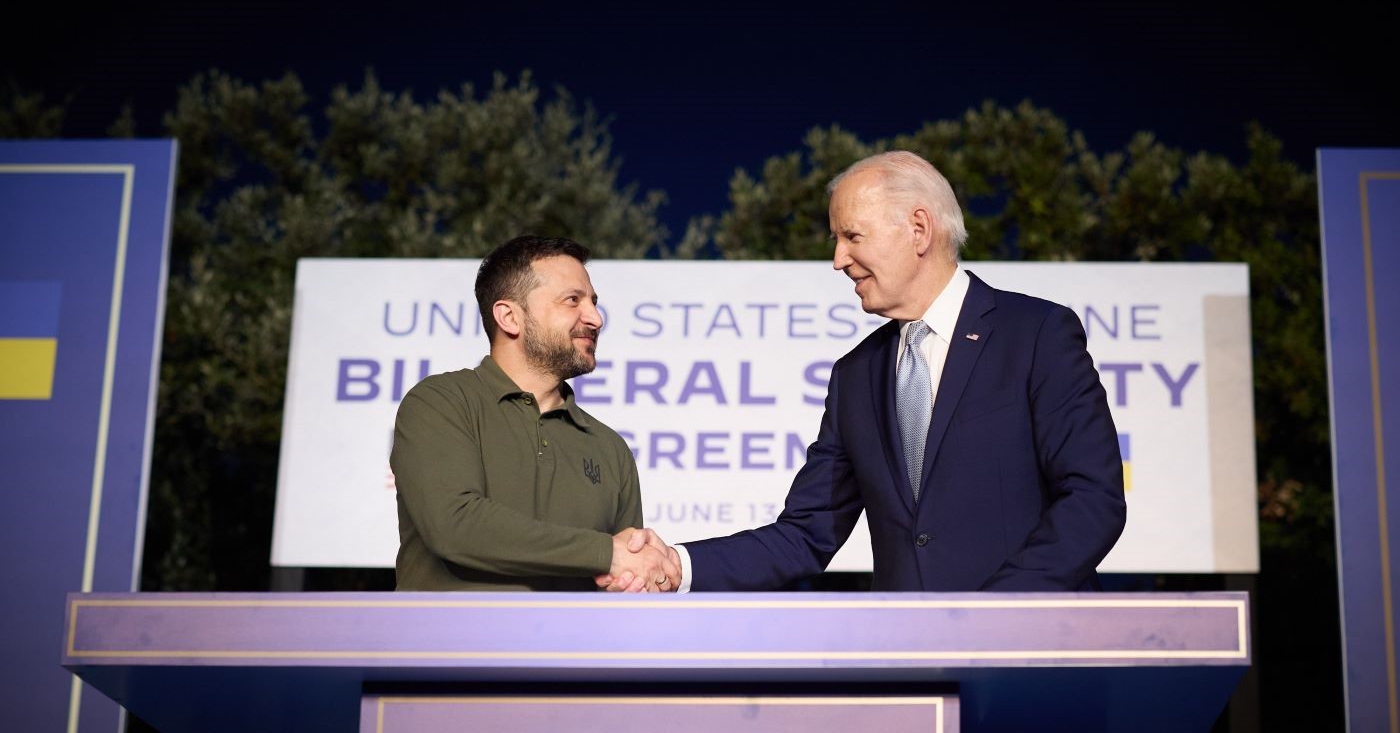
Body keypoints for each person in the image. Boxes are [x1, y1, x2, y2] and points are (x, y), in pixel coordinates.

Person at [603, 151, 1126, 592]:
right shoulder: (856, 374)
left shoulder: (1036, 334)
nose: (837, 259)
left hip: (1035, 657)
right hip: (911, 668)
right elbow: (807, 532)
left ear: (918, 229)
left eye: (852, 236)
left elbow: (1093, 497)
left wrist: (995, 615)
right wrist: (678, 564)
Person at [393, 235, 678, 591]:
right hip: (449, 646)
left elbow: (626, 575)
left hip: (570, 647)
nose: (595, 318)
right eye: (572, 300)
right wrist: (606, 553)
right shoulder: (441, 402)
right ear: (509, 317)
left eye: (593, 302)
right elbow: (455, 524)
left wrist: (638, 576)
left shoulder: (610, 448)